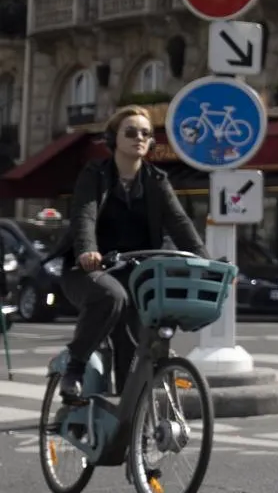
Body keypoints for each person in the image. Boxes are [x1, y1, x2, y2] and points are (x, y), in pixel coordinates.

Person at [58, 105, 209, 403]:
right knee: (112, 296)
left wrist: (205, 260)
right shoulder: (95, 174)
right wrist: (88, 250)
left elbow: (179, 223)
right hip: (89, 271)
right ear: (114, 138)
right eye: (130, 132)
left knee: (135, 347)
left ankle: (128, 431)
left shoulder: (156, 180)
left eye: (146, 133)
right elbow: (84, 215)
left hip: (136, 273)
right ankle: (74, 368)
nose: (139, 137)